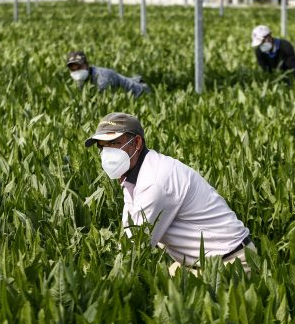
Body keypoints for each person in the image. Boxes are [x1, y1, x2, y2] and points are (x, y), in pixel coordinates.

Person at [84, 112, 256, 276]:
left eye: (114, 143)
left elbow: (136, 248)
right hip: (203, 261)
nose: (107, 153)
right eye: (102, 146)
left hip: (231, 262)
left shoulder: (154, 182)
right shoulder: (138, 173)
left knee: (157, 293)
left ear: (136, 143)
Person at [66, 50, 149, 98]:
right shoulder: (79, 80)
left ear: (87, 65)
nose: (76, 71)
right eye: (73, 69)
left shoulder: (102, 78)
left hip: (140, 93)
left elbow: (104, 103)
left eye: (79, 67)